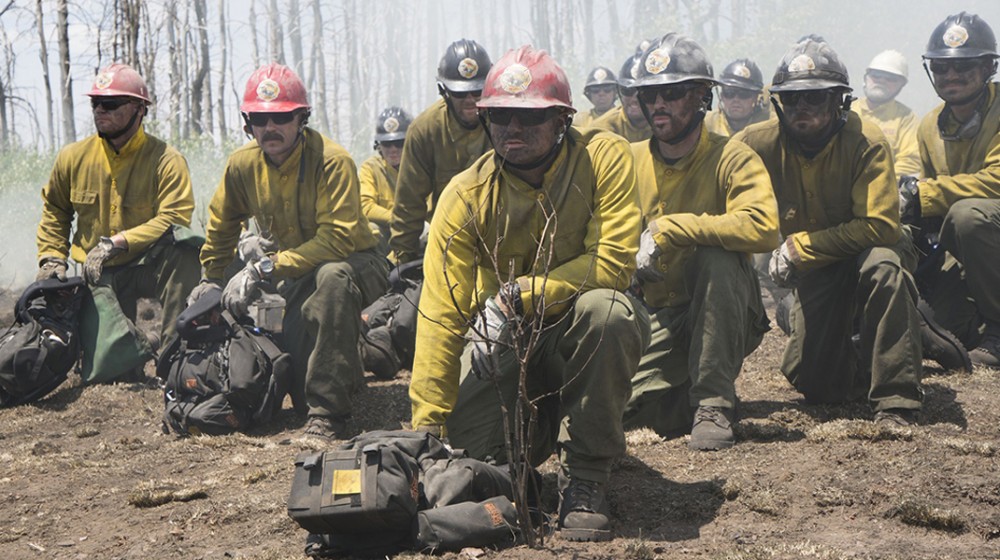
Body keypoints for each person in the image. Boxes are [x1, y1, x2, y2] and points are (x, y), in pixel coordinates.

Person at [409, 46, 648, 542]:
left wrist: (518, 294)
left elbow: (613, 263)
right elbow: (439, 314)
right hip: (506, 346)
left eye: (529, 116)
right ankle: (525, 456)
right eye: (499, 117)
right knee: (483, 466)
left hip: (576, 336)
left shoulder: (603, 158)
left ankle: (586, 476)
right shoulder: (464, 194)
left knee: (608, 312)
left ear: (562, 120)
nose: (512, 129)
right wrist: (424, 433)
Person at [734, 40, 924, 426]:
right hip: (819, 265)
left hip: (871, 247)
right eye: (791, 100)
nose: (801, 109)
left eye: (814, 99)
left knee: (883, 267)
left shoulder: (867, 141)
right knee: (818, 386)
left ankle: (896, 398)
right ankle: (872, 343)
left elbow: (880, 226)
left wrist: (802, 246)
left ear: (839, 101)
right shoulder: (754, 144)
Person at [196, 63, 388, 440]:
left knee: (333, 278)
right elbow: (221, 225)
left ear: (302, 119)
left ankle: (327, 418)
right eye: (260, 119)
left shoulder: (332, 161)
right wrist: (208, 281)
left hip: (356, 264)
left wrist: (263, 267)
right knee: (299, 392)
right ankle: (346, 354)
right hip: (296, 272)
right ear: (247, 123)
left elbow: (337, 241)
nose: (270, 128)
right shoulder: (242, 165)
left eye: (282, 117)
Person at [621, 34, 779, 450]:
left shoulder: (733, 157)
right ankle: (684, 392)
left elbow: (763, 227)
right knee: (619, 410)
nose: (658, 104)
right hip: (653, 313)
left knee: (719, 255)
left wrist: (673, 228)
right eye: (649, 94)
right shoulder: (628, 160)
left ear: (701, 97)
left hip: (722, 309)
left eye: (671, 94)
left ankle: (714, 402)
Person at [36, 63, 200, 382]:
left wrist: (120, 242)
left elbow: (174, 218)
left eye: (110, 104)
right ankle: (143, 344)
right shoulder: (73, 157)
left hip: (148, 265)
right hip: (99, 274)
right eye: (95, 103)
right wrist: (52, 257)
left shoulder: (167, 160)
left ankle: (173, 357)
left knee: (186, 254)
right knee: (109, 371)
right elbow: (55, 209)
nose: (100, 110)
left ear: (139, 110)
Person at [905, 12, 1000, 368]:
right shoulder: (929, 124)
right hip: (971, 249)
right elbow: (930, 208)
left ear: (988, 68)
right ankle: (982, 324)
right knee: (943, 324)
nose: (952, 75)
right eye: (942, 68)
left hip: (982, 228)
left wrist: (923, 195)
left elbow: (996, 180)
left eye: (965, 67)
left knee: (967, 215)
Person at [389, 39, 493, 264]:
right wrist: (402, 260)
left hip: (503, 238)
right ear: (444, 91)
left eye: (477, 91)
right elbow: (409, 204)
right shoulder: (425, 129)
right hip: (448, 241)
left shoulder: (507, 122)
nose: (470, 100)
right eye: (460, 93)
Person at [852, 50, 922, 180]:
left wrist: (876, 180)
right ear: (865, 78)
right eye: (876, 75)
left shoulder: (907, 119)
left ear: (902, 85)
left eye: (891, 79)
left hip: (883, 190)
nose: (881, 81)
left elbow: (910, 161)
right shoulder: (847, 110)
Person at [360, 106, 412, 258]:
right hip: (387, 232)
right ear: (378, 145)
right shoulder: (370, 168)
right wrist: (397, 219)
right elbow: (365, 206)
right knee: (370, 230)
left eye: (399, 143)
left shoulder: (420, 166)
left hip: (415, 231)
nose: (393, 149)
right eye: (387, 144)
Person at [591, 51, 653, 142]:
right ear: (620, 93)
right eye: (628, 91)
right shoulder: (601, 129)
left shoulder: (667, 124)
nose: (634, 98)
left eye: (642, 91)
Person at [704, 58, 771, 137]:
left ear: (755, 98)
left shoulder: (769, 126)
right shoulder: (705, 125)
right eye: (729, 93)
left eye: (744, 94)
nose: (736, 99)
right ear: (721, 96)